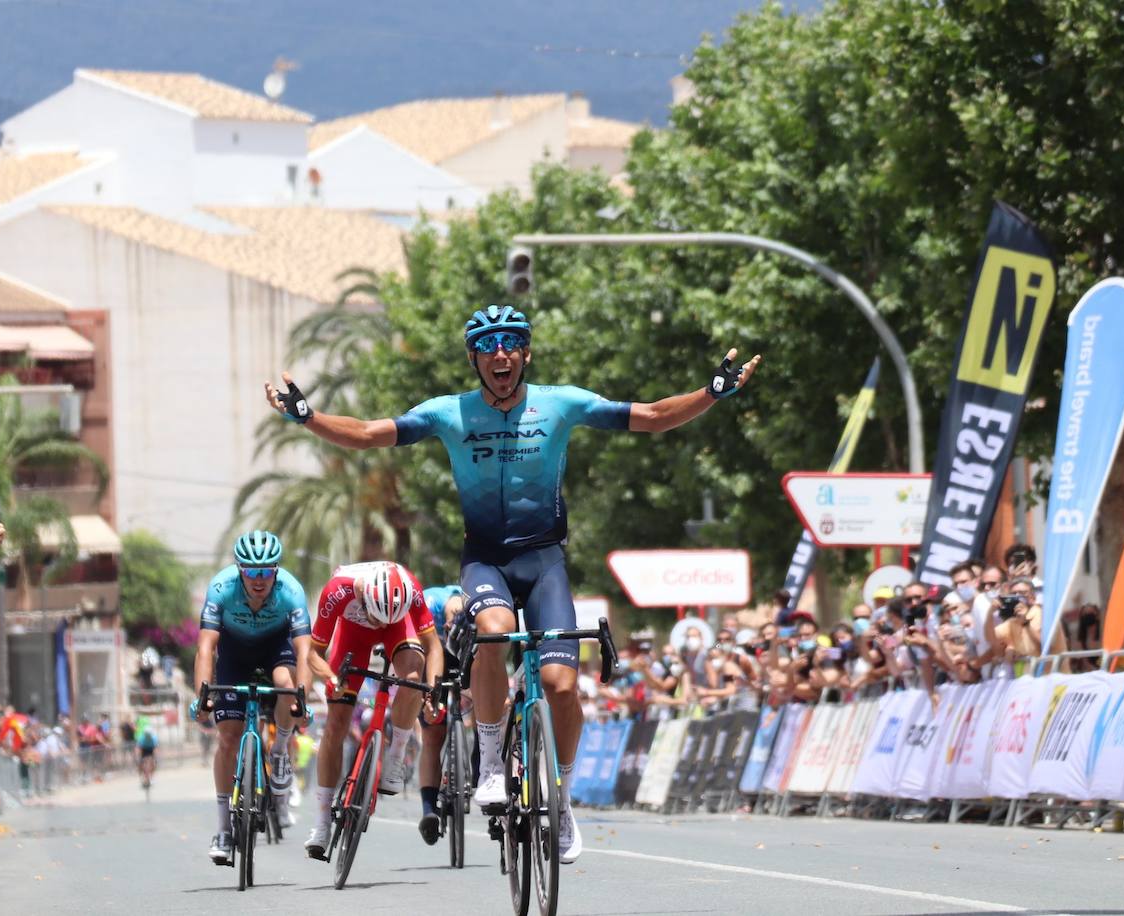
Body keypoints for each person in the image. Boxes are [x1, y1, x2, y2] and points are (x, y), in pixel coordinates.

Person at [266, 304, 760, 863]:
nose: (501, 354)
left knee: (561, 684)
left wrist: (710, 394)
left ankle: (563, 803)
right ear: (475, 358)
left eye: (511, 343)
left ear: (525, 353)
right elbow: (367, 432)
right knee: (494, 630)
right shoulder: (449, 413)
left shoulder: (560, 403)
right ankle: (494, 762)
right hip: (486, 561)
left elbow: (650, 415)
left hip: (545, 560)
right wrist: (308, 416)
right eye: (489, 345)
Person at [302, 561, 444, 860]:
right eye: (375, 617)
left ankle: (396, 756)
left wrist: (434, 691)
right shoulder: (337, 590)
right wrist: (330, 678)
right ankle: (322, 822)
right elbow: (312, 653)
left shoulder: (410, 588)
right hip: (353, 632)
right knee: (337, 723)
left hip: (400, 629)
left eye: (384, 620)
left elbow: (433, 647)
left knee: (414, 677)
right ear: (363, 597)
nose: (379, 625)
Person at [192, 530, 313, 867]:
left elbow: (304, 651)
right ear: (239, 570)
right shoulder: (221, 588)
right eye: (251, 572)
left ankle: (280, 749)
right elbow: (206, 647)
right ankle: (223, 831)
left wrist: (302, 700)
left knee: (286, 683)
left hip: (277, 649)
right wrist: (203, 694)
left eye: (266, 571)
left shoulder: (291, 591)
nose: (259, 580)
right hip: (234, 654)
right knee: (228, 739)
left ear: (275, 571)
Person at [416, 583, 466, 845]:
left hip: (464, 649)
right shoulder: (429, 602)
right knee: (433, 733)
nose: (449, 625)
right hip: (431, 654)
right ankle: (428, 810)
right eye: (449, 620)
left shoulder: (472, 607)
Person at [135, 716, 158, 789]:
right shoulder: (141, 738)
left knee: (153, 763)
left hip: (150, 750)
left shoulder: (154, 738)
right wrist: (138, 757)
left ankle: (151, 777)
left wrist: (155, 758)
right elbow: (138, 748)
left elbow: (155, 749)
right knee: (141, 763)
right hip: (144, 750)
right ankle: (142, 776)